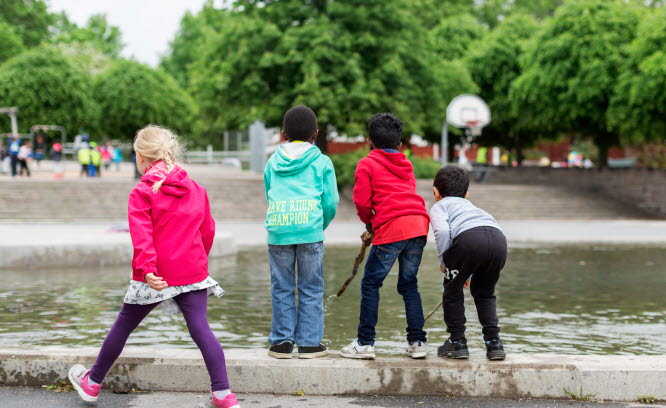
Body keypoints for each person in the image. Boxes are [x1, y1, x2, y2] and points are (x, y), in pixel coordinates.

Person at [67, 125, 239, 408]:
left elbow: (141, 236)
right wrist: (196, 263)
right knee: (201, 329)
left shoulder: (142, 191)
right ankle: (223, 394)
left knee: (123, 325)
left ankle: (93, 383)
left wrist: (147, 270)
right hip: (192, 272)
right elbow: (207, 232)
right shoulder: (197, 189)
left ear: (141, 158)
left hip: (155, 273)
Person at [340, 113, 430, 360]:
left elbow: (361, 201)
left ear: (369, 140)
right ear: (400, 145)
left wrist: (370, 223)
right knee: (409, 285)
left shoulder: (366, 163)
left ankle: (365, 343)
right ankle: (417, 342)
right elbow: (406, 192)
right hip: (419, 225)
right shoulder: (406, 163)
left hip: (392, 227)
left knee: (370, 284)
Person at [264, 106, 339, 360]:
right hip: (309, 229)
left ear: (283, 135)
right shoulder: (322, 161)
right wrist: (320, 224)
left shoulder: (273, 161)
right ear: (315, 134)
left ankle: (281, 343)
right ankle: (309, 344)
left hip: (279, 228)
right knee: (311, 287)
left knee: (281, 286)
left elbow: (269, 192)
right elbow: (330, 202)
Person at [429, 165, 507, 361]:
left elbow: (444, 232)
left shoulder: (440, 206)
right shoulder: (473, 207)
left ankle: (457, 342)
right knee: (485, 293)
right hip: (498, 241)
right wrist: (467, 272)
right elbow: (483, 236)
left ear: (435, 192)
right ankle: (494, 343)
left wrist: (445, 261)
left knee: (452, 291)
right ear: (466, 194)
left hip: (469, 240)